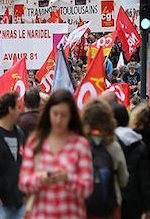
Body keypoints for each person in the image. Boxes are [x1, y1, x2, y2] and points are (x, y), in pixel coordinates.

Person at [18, 90, 93, 219]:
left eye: (64, 115)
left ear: (71, 116)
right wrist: (40, 178)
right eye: (55, 114)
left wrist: (68, 178)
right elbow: (24, 183)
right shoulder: (35, 142)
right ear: (48, 113)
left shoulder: (80, 144)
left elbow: (87, 188)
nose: (59, 120)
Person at [81, 98, 128, 219]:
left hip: (83, 206)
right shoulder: (113, 145)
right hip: (109, 207)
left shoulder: (80, 144)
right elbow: (124, 179)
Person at [114, 104, 150, 219]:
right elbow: (144, 178)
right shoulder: (139, 144)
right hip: (134, 200)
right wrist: (147, 206)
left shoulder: (108, 143)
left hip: (114, 197)